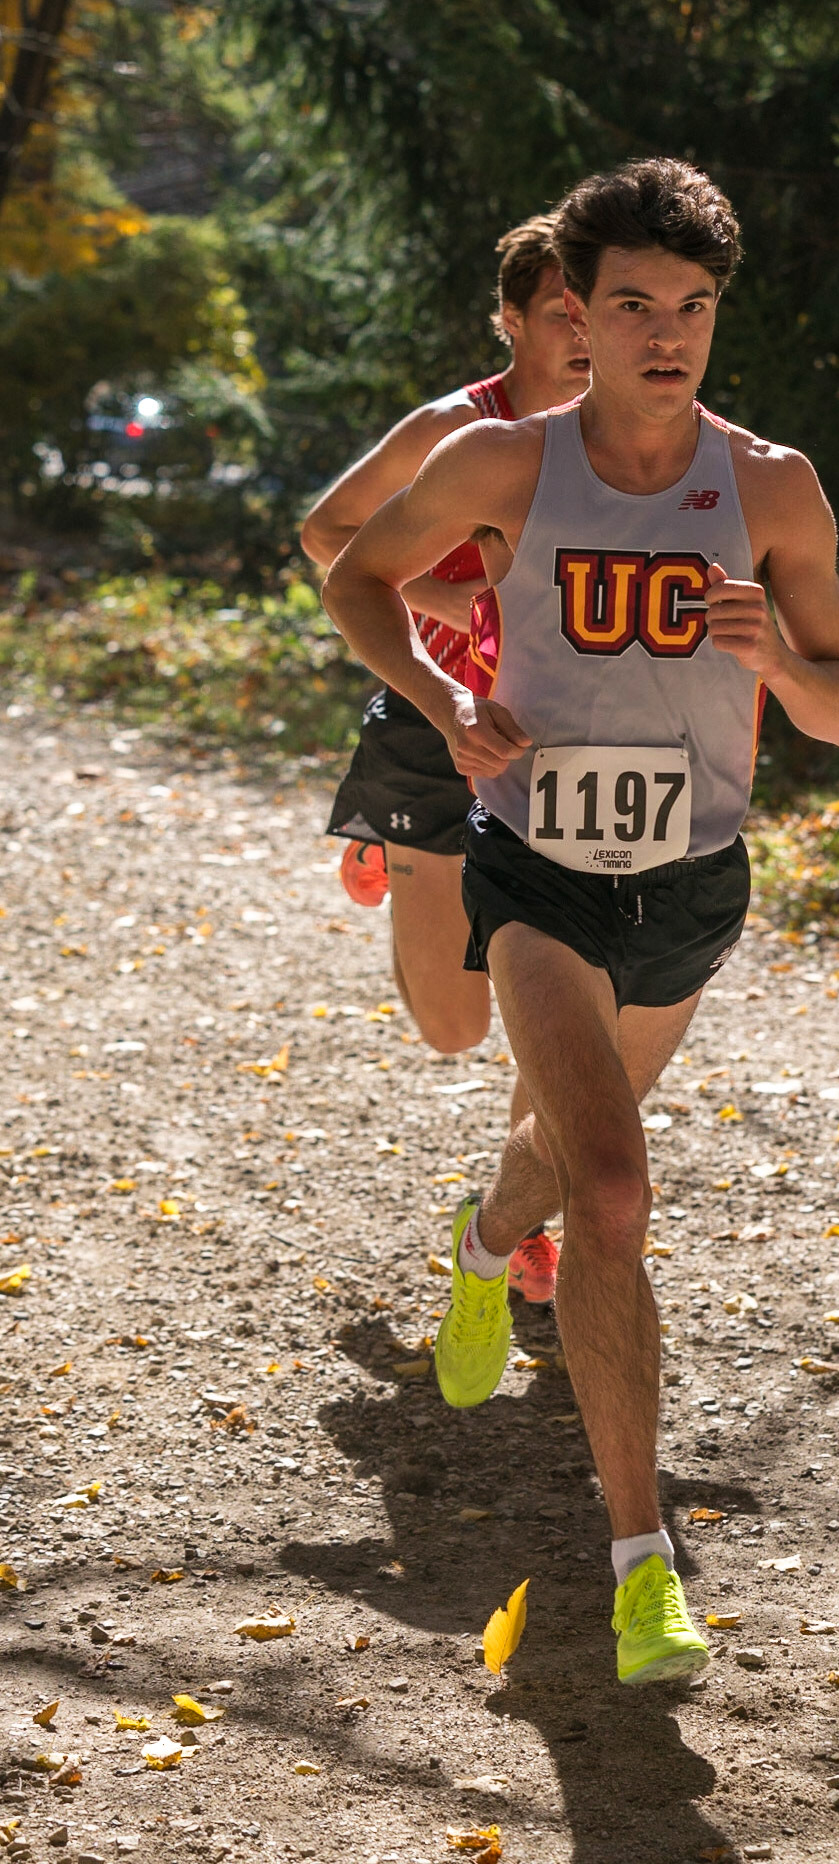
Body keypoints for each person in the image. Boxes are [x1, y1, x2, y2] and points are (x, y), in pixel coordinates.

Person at [322, 158, 839, 1686]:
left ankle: (484, 1240)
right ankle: (643, 1573)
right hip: (536, 874)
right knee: (616, 1191)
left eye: (691, 307)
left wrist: (779, 664)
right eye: (631, 304)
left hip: (689, 884)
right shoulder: (506, 463)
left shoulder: (771, 487)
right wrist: (445, 708)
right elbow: (358, 575)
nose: (663, 334)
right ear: (573, 309)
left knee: (565, 1155)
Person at [302, 215, 588, 1303]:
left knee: (565, 1004)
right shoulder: (456, 428)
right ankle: (392, 854)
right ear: (510, 319)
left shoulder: (627, 440)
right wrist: (441, 599)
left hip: (560, 745)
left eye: (593, 311)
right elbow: (327, 532)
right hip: (437, 723)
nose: (580, 334)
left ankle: (522, 1218)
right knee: (453, 1026)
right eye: (557, 312)